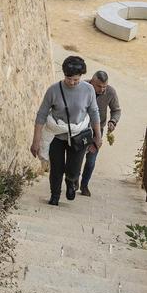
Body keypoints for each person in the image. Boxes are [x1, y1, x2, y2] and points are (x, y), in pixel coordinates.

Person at [32, 56, 102, 205]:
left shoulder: (88, 90)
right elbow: (42, 115)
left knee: (74, 168)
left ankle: (71, 181)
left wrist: (98, 136)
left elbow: (94, 112)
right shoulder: (53, 90)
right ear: (64, 75)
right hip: (56, 136)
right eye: (68, 78)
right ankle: (55, 196)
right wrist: (36, 141)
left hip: (78, 136)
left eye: (75, 79)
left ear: (81, 76)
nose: (72, 82)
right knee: (56, 169)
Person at [78, 70, 122, 196]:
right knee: (77, 156)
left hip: (97, 131)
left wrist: (113, 121)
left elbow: (116, 110)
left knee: (91, 160)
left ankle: (84, 185)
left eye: (104, 86)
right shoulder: (81, 87)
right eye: (99, 86)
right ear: (92, 82)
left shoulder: (110, 92)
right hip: (80, 129)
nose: (102, 89)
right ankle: (74, 180)